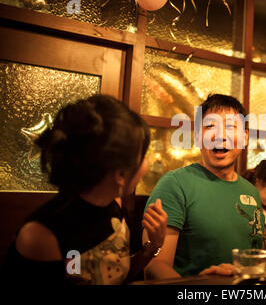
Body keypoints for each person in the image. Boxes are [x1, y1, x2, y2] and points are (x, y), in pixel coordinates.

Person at [0, 95, 167, 285]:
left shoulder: (113, 204)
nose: (148, 163)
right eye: (143, 155)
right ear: (120, 174)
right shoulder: (41, 235)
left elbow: (116, 276)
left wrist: (152, 246)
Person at [143, 93, 265, 279]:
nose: (220, 135)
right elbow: (155, 264)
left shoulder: (251, 192)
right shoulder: (175, 184)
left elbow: (255, 258)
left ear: (245, 137)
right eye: (210, 126)